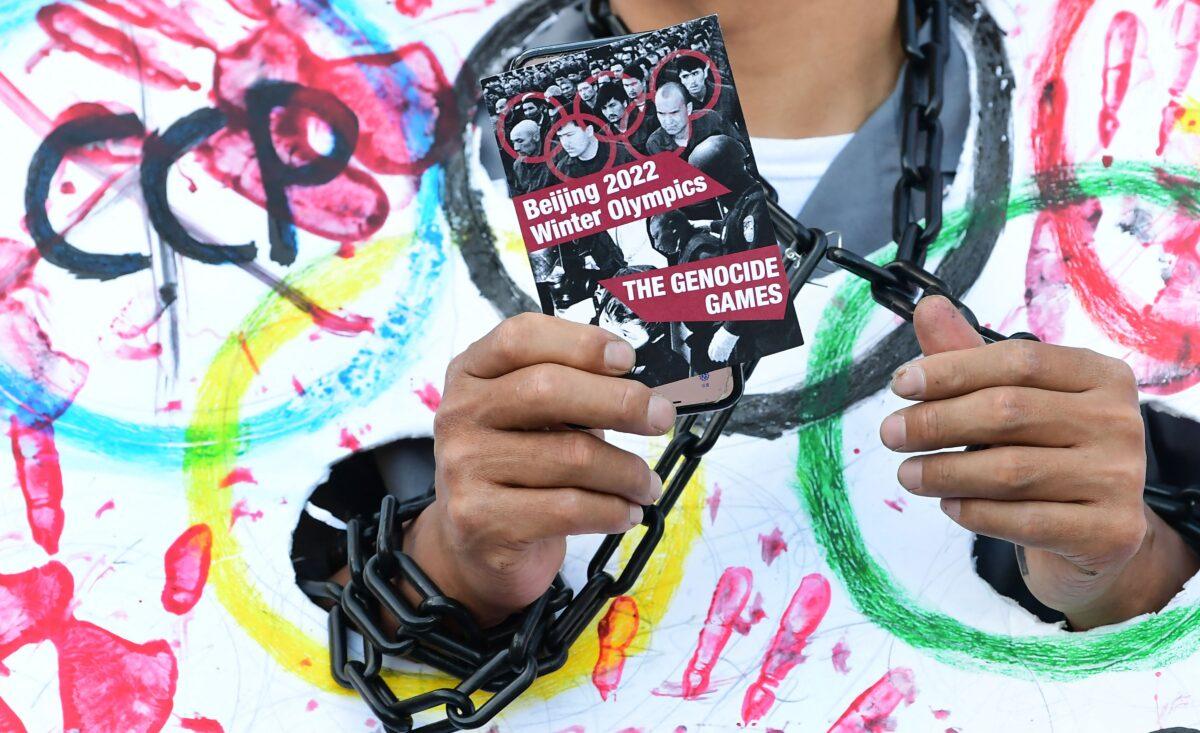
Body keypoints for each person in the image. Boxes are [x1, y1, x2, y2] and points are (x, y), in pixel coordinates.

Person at [352, 0, 1200, 639]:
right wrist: (464, 565)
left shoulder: (1160, 102)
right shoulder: (363, 133)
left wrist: (1115, 568)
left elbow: (1154, 616)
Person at [645, 81, 738, 157]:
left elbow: (740, 148)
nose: (668, 121)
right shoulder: (655, 143)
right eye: (661, 113)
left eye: (674, 113)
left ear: (688, 109)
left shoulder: (711, 120)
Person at [676, 52, 738, 129]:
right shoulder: (678, 103)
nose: (692, 81)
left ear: (705, 72)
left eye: (695, 73)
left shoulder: (728, 93)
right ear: (680, 79)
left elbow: (745, 127)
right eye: (685, 76)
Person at [595, 82, 653, 154]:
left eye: (612, 105)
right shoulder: (602, 136)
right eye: (604, 108)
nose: (609, 112)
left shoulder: (647, 123)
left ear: (624, 103)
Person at [507, 119, 551, 195]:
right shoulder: (518, 165)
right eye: (513, 142)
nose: (516, 148)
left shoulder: (558, 153)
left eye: (520, 141)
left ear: (536, 137)